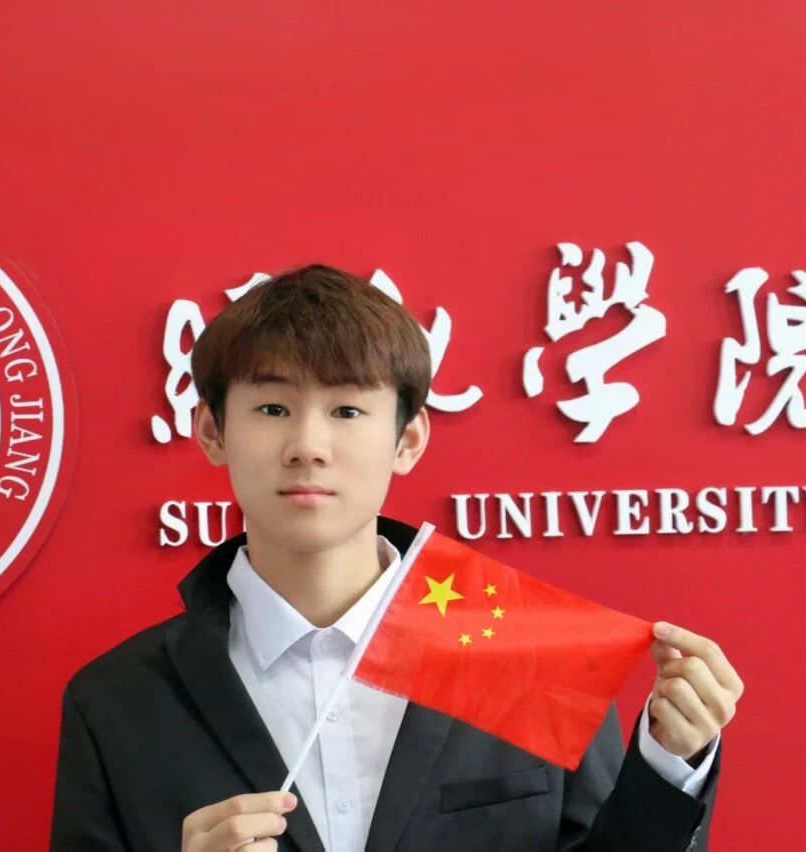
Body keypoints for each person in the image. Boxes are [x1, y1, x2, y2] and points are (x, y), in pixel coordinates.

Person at [51, 265, 742, 851]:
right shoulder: (114, 703)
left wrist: (670, 763)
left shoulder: (526, 654)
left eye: (347, 412)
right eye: (272, 409)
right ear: (211, 431)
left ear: (408, 441)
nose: (308, 446)